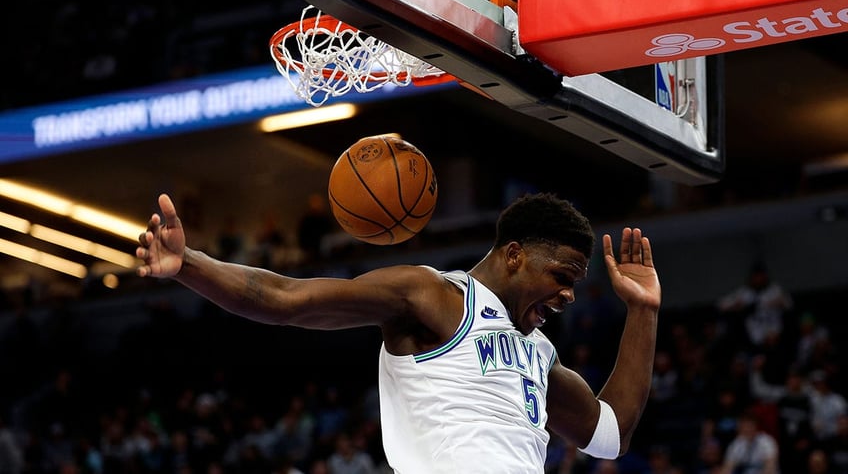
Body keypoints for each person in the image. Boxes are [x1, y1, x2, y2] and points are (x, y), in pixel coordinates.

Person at [135, 192, 662, 473]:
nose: (569, 295)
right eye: (562, 277)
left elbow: (610, 435)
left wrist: (643, 311)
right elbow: (285, 299)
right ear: (515, 255)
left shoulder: (539, 353)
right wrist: (189, 265)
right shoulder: (433, 297)